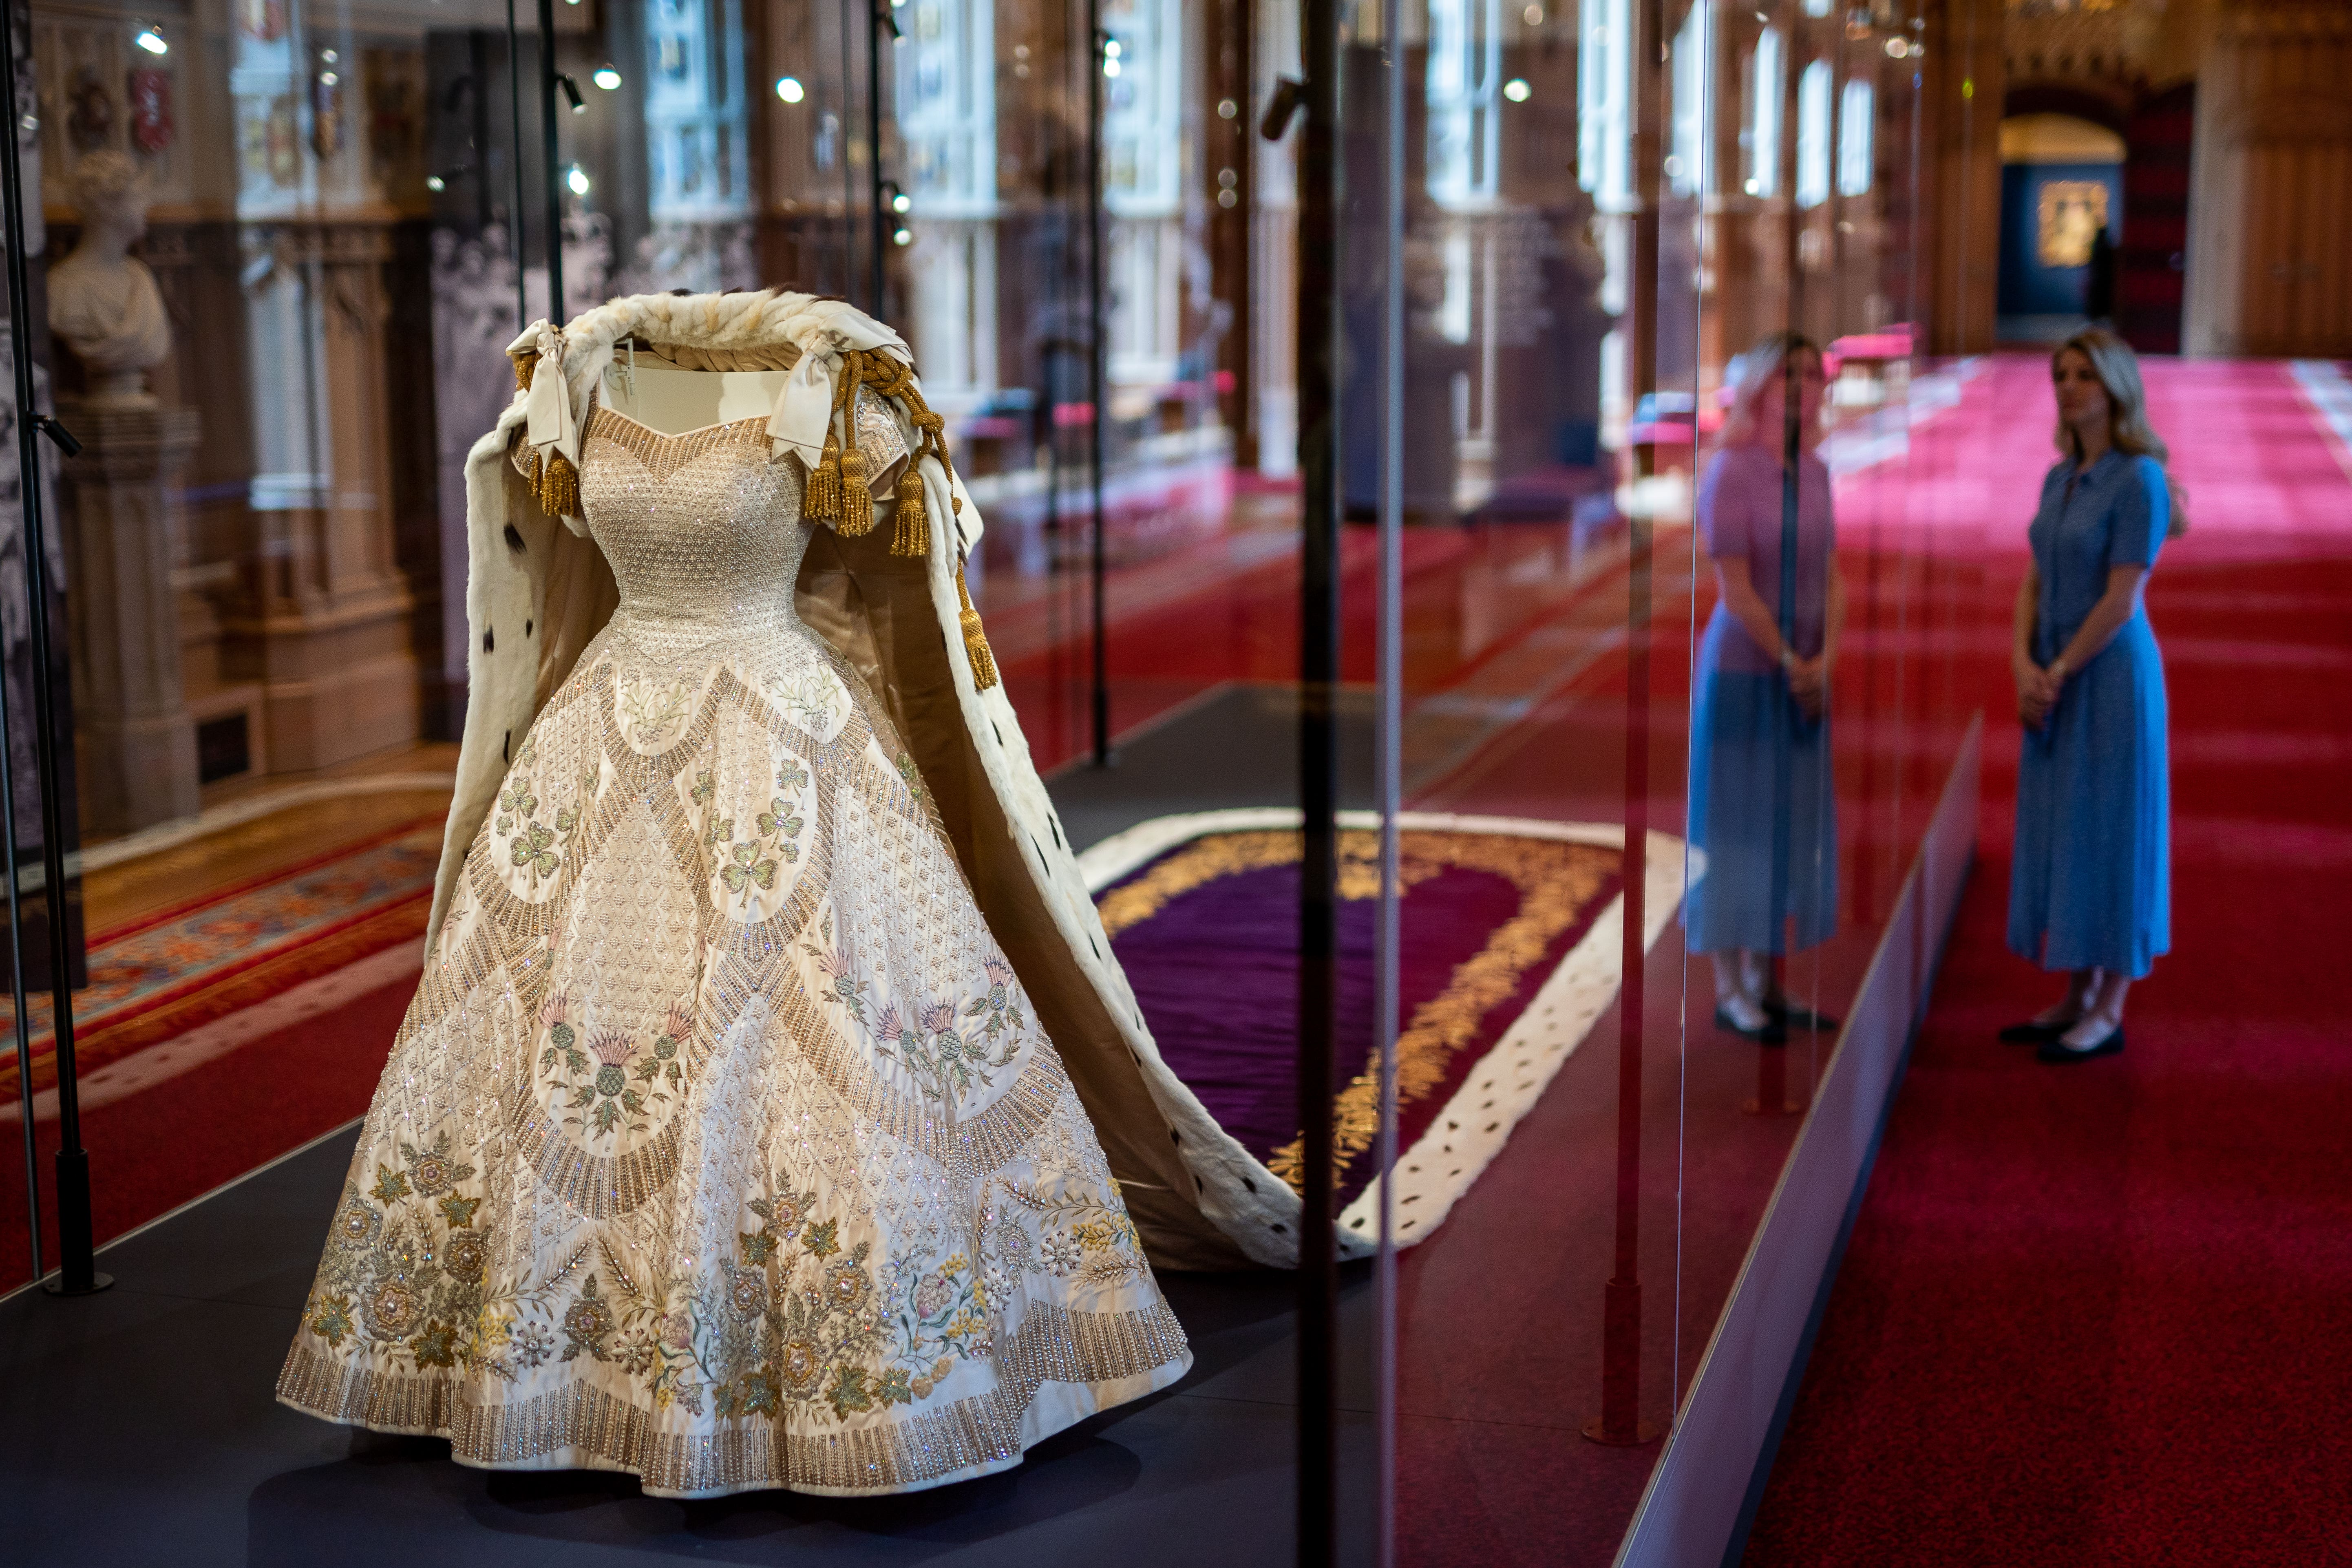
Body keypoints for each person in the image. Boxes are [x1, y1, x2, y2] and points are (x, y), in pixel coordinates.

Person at [2003, 327, 2175, 1062]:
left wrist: (2060, 669)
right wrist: (2021, 663)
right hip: (2052, 668)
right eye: (2061, 375)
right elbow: (2034, 576)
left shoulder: (2139, 479)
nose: (2069, 387)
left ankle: (2109, 1004)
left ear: (2115, 388)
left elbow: (2121, 599)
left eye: (2084, 375)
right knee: (2065, 827)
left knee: (2109, 829)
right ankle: (2075, 989)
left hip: (2106, 676)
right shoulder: (2058, 477)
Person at [1686, 332, 1846, 1043]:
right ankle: (1730, 987)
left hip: (1804, 669)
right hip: (1748, 666)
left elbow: (1832, 572)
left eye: (1812, 375)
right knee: (1735, 826)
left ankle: (1769, 979)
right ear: (1757, 387)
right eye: (1788, 375)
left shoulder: (1813, 468)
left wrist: (1824, 660)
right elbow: (1736, 588)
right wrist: (1789, 658)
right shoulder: (1730, 471)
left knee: (1785, 824)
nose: (1803, 387)